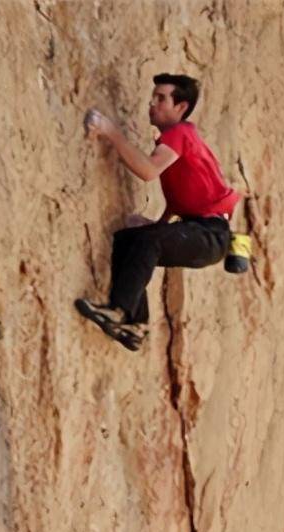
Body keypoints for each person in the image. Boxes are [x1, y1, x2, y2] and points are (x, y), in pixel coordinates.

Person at [75, 73, 239, 351]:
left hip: (212, 234)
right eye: (154, 96)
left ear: (181, 108)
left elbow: (148, 171)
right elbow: (181, 201)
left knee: (147, 240)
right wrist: (157, 224)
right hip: (201, 231)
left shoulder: (181, 133)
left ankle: (120, 311)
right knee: (129, 239)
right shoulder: (175, 141)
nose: (153, 103)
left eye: (162, 98)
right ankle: (135, 325)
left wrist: (110, 131)